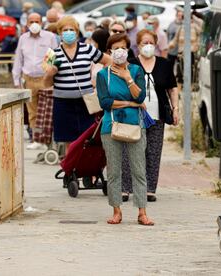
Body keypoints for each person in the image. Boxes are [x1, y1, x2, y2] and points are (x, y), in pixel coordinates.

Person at [96, 33, 154, 226]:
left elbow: (140, 98)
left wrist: (128, 79)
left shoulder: (136, 71)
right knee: (114, 171)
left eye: (123, 48)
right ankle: (116, 210)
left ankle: (142, 212)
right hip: (110, 127)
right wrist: (130, 102)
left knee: (138, 169)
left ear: (128, 50)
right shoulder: (103, 75)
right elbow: (105, 102)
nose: (120, 51)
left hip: (135, 126)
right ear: (109, 52)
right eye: (116, 48)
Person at [122, 29, 179, 202]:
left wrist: (175, 108)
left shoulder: (164, 64)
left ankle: (150, 188)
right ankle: (126, 188)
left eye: (151, 43)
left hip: (157, 114)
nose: (148, 46)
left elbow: (172, 87)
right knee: (129, 151)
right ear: (137, 45)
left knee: (153, 152)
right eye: (144, 43)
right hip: (134, 114)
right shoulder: (130, 64)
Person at [43, 16, 111, 154]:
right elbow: (45, 83)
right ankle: (71, 172)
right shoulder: (52, 54)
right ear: (60, 33)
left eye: (72, 29)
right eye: (65, 30)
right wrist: (50, 73)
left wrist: (99, 81)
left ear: (77, 31)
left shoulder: (88, 49)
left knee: (88, 138)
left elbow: (108, 61)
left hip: (85, 102)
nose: (69, 32)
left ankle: (88, 172)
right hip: (63, 103)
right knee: (69, 141)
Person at [12, 13, 58, 150]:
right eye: (31, 21)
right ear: (26, 23)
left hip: (45, 79)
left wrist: (52, 77)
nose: (34, 23)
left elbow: (54, 56)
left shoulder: (49, 37)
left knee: (47, 110)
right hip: (29, 79)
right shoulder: (23, 39)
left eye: (37, 21)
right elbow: (18, 59)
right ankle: (36, 138)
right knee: (32, 112)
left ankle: (48, 139)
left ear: (41, 22)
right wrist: (16, 80)